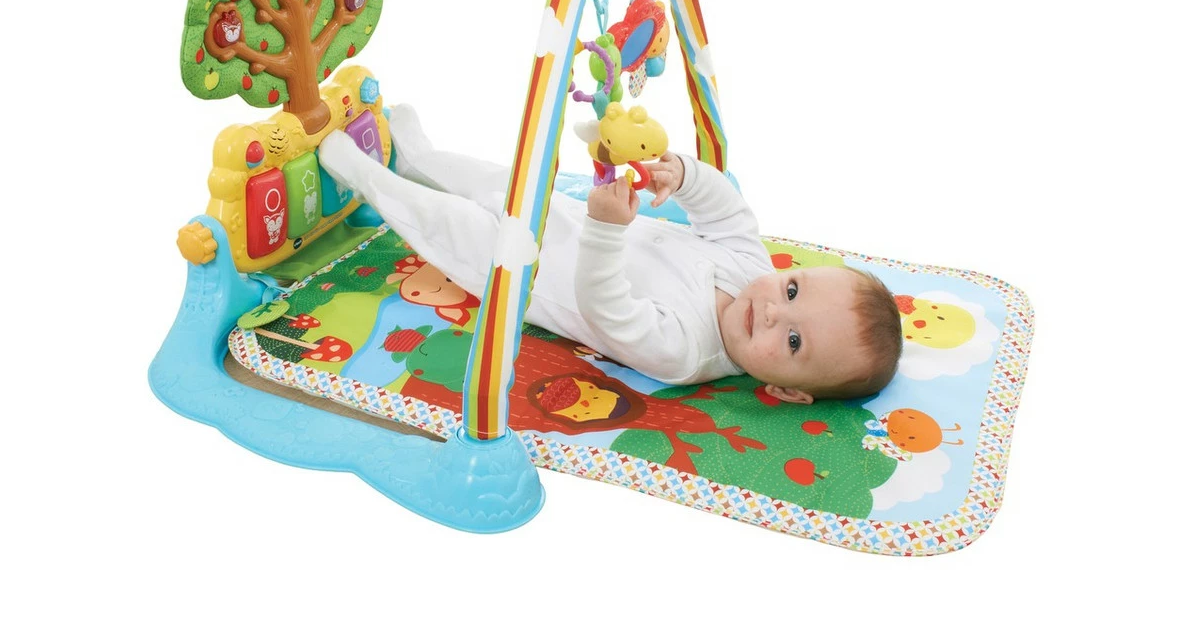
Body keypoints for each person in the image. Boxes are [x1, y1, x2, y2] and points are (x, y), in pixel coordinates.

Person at [319, 105, 902, 403]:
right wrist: (684, 175)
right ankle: (421, 158)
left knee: (447, 223)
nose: (774, 311)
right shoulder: (752, 271)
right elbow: (729, 213)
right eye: (793, 290)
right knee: (498, 180)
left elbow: (605, 306)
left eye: (794, 342)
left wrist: (604, 230)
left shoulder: (685, 354)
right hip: (564, 215)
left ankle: (365, 178)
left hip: (519, 271)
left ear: (786, 392)